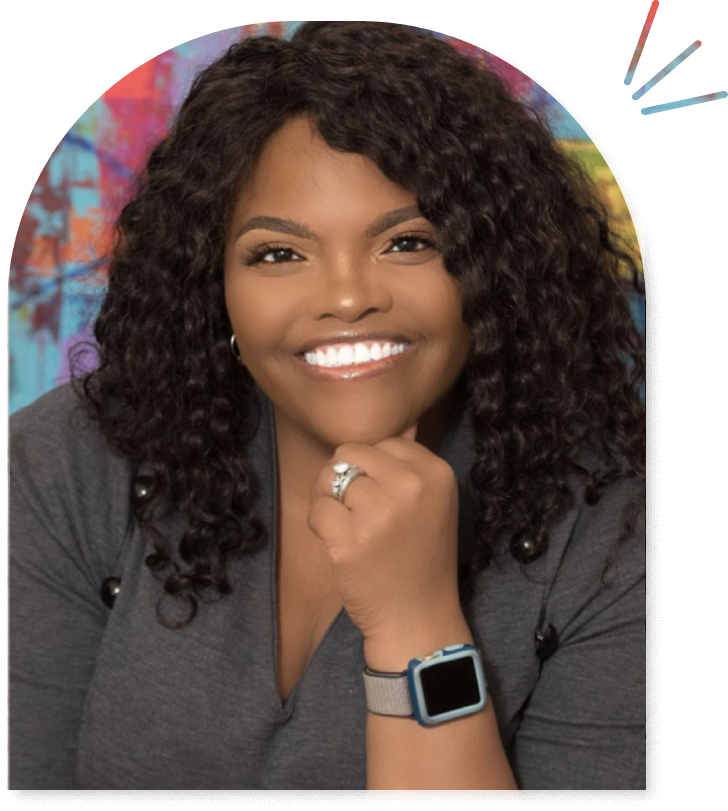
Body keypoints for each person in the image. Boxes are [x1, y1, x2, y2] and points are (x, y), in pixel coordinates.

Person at [9, 21, 654, 800]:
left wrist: (416, 623)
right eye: (278, 253)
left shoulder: (613, 535)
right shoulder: (69, 466)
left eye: (408, 242)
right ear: (214, 291)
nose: (348, 297)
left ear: (491, 270)